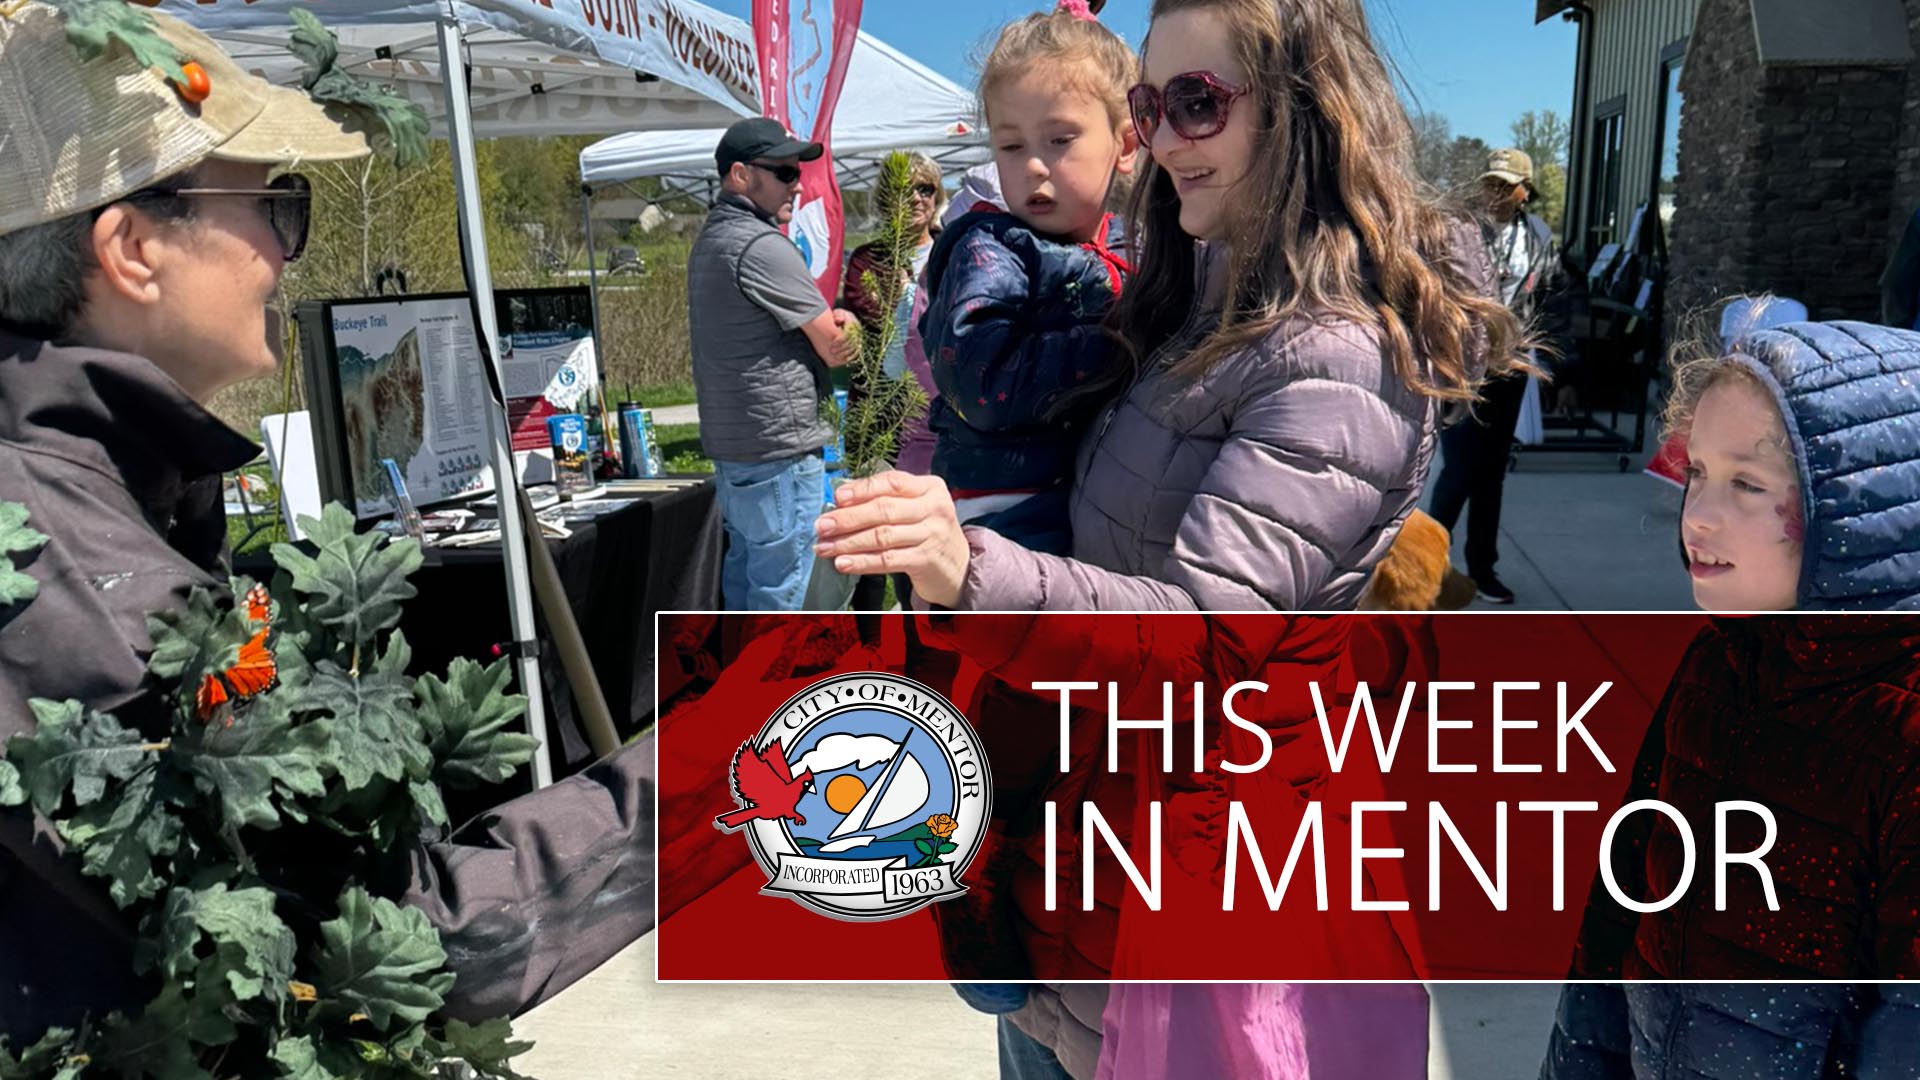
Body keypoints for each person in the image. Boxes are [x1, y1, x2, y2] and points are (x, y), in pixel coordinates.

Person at [815, 0, 1526, 1075]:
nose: (1162, 135)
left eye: (1197, 102)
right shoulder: (1184, 297)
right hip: (1089, 884)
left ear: (1301, 112)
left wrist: (976, 569)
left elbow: (1208, 643)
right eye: (1152, 104)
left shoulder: (1331, 355)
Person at [0, 3, 655, 1041]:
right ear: (130, 249)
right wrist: (732, 764)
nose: (285, 250)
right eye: (273, 204)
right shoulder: (63, 565)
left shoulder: (111, 495)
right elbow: (354, 943)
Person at [1541, 320, 1920, 1079]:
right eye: (1697, 474)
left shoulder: (1901, 727)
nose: (1700, 515)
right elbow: (1618, 912)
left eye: (1747, 484)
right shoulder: (1716, 666)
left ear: (1863, 510)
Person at [918, 0, 1137, 556]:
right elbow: (980, 378)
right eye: (1012, 146)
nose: (1034, 165)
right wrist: (1116, 346)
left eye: (1059, 140)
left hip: (1075, 482)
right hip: (1004, 501)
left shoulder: (1124, 240)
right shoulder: (992, 246)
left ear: (1126, 146)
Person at [687, 116, 858, 610]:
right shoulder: (762, 246)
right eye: (783, 173)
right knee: (786, 592)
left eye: (797, 171)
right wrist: (846, 321)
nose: (798, 184)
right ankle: (775, 691)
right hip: (778, 451)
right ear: (740, 176)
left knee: (747, 586)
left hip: (738, 452)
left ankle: (742, 686)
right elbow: (834, 347)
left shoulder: (712, 240)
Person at [1426, 147, 1559, 605]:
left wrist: (1557, 359)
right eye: (1491, 183)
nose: (1496, 193)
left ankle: (1482, 568)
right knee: (1459, 471)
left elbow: (1551, 296)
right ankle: (1424, 571)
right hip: (1463, 364)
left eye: (1506, 186)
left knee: (1491, 474)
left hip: (1513, 363)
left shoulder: (1540, 236)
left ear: (1525, 190)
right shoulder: (1462, 230)